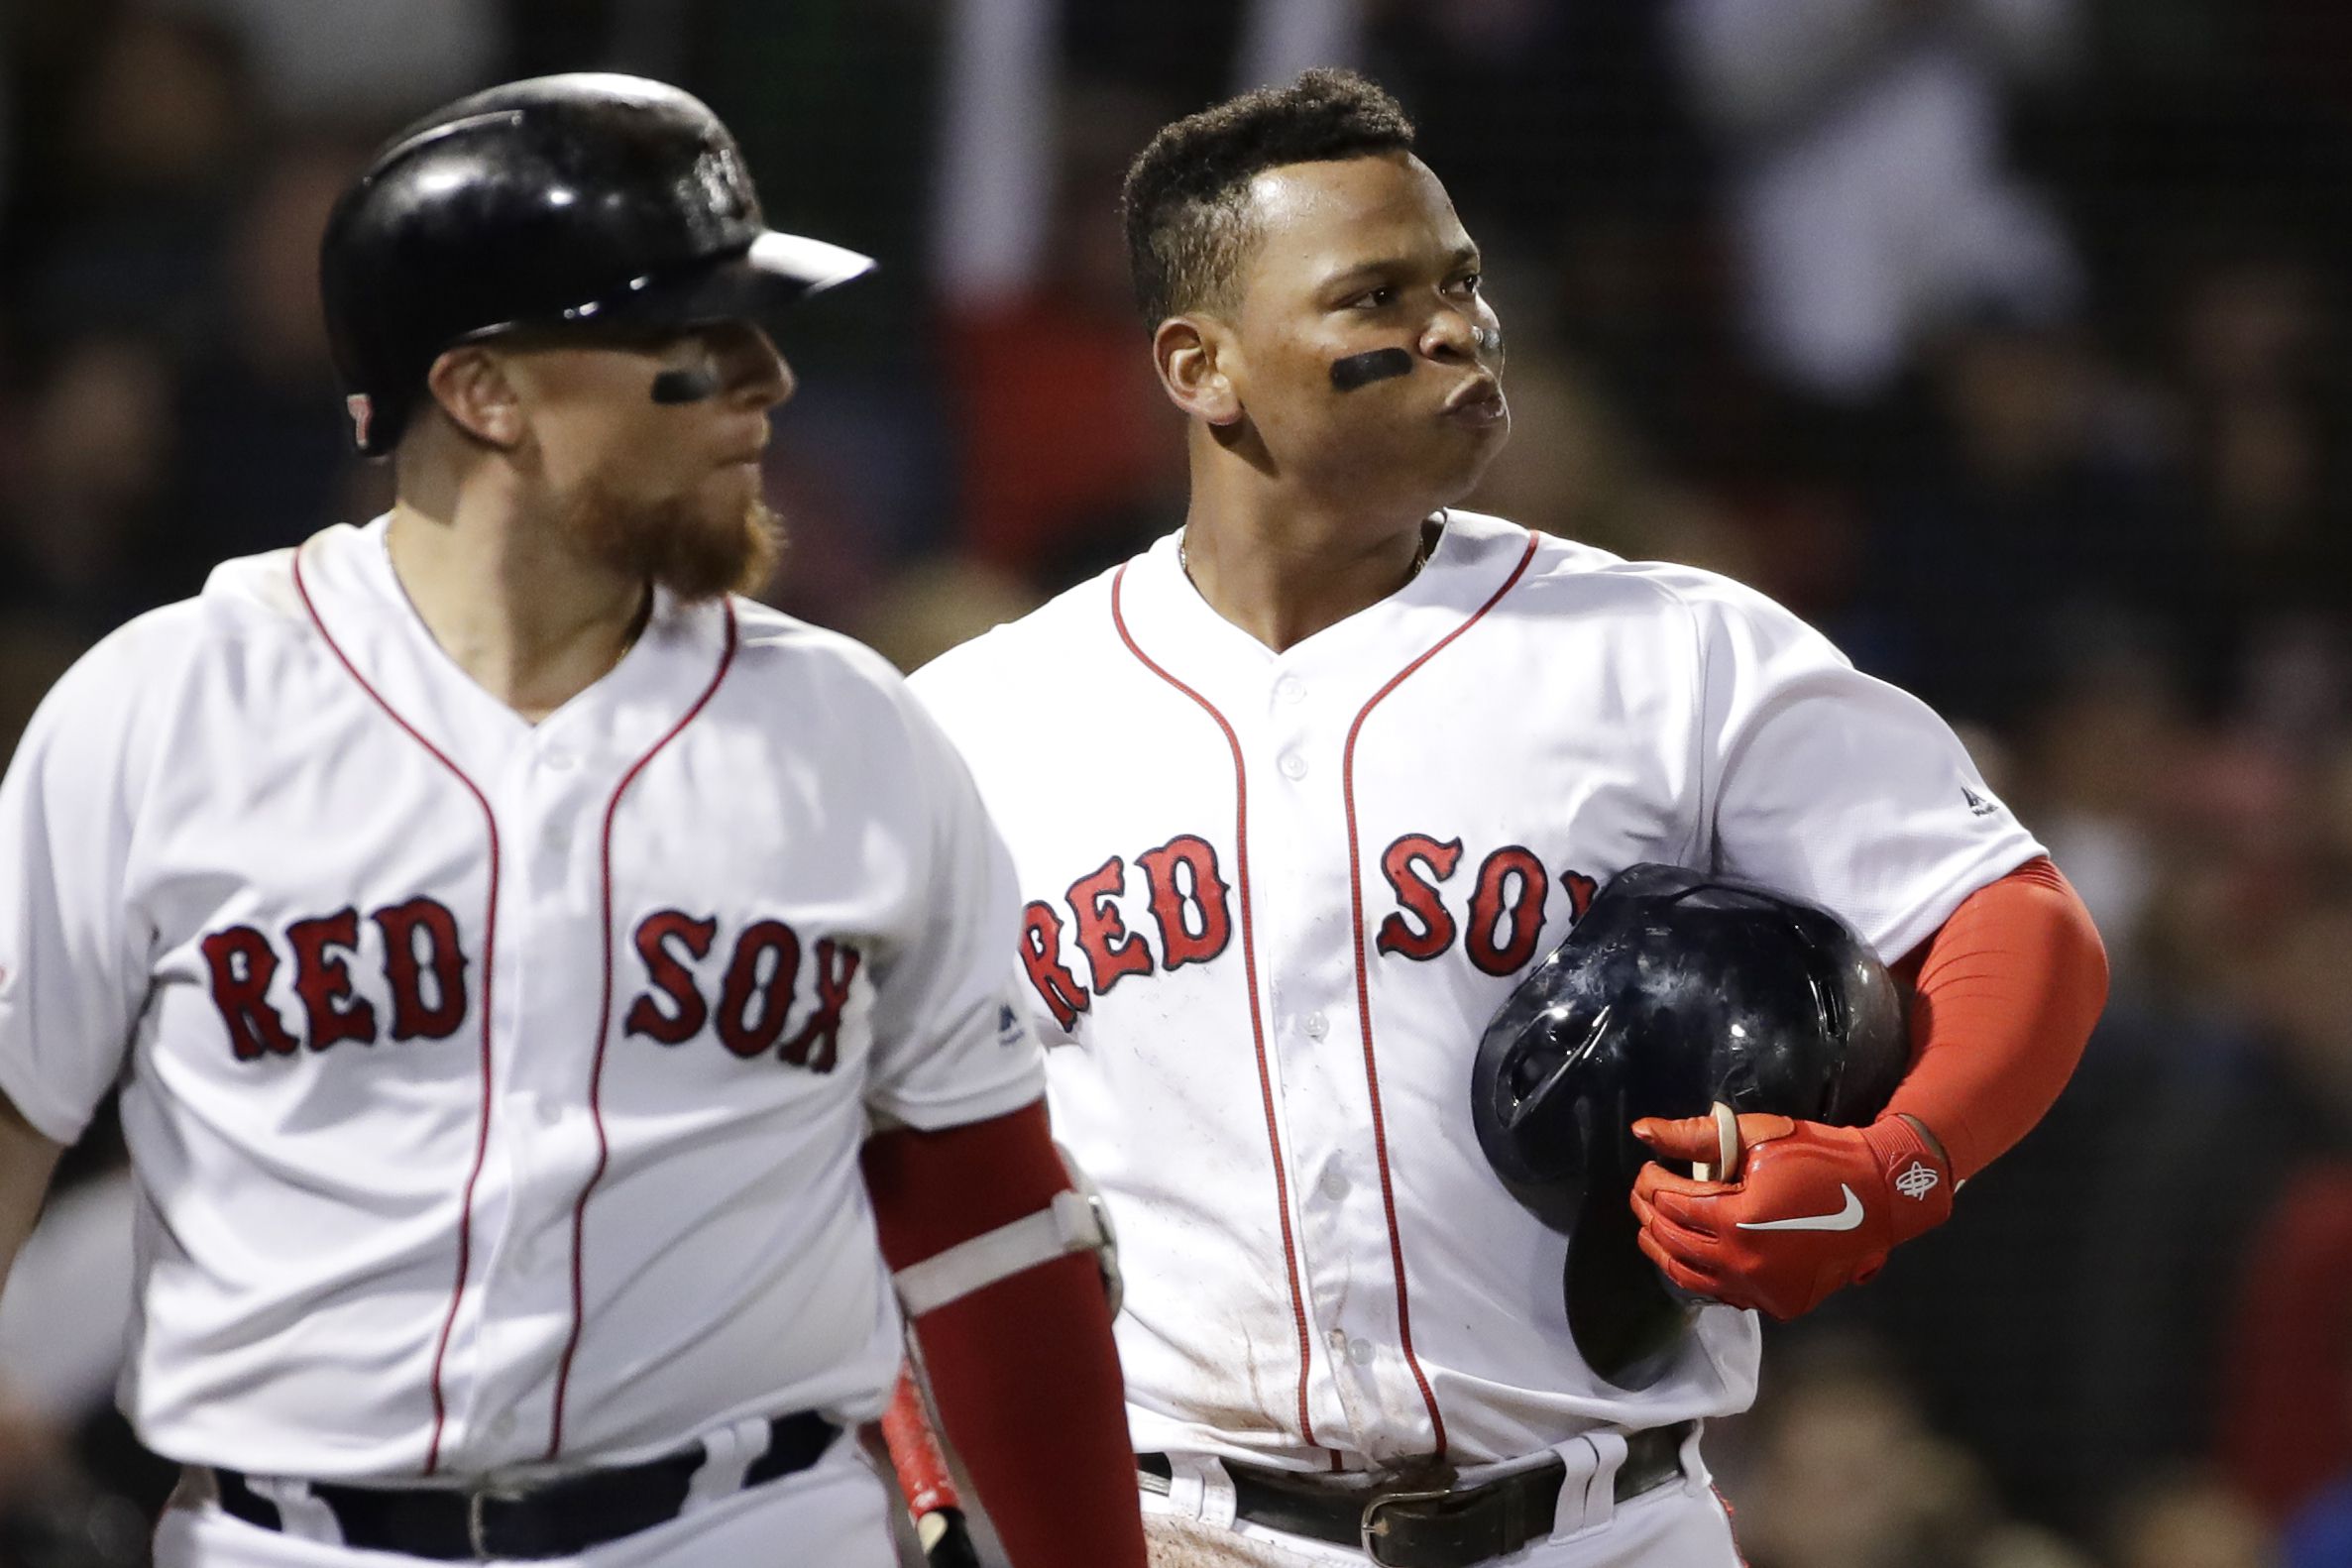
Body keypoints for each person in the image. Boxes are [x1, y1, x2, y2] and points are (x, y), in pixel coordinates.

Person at [907, 68, 2109, 1567]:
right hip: (1183, 1523)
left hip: (1598, 1521)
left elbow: (2010, 918)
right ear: (1198, 365)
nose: (1454, 327)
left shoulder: (1670, 647)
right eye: (1374, 298)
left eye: (1461, 281)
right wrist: (923, 1452)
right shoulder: (979, 720)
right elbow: (880, 1139)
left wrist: (1894, 1167)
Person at [0, 73, 1146, 1568]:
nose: (766, 382)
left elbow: (989, 1233)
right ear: (483, 392)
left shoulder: (856, 731)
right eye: (690, 339)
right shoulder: (164, 713)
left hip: (749, 1525)